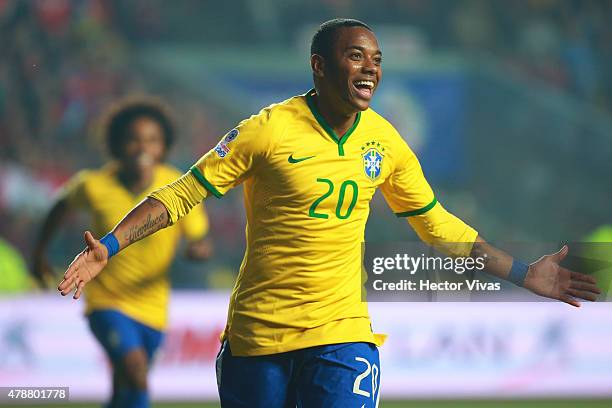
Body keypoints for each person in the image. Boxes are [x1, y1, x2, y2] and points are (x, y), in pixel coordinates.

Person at [57, 19, 600, 407]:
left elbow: (439, 228)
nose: (370, 68)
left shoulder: (386, 142)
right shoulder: (266, 130)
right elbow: (181, 194)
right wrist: (109, 244)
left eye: (377, 58)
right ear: (319, 65)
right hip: (257, 338)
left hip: (340, 335)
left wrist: (526, 273)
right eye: (356, 55)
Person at [35, 97, 212, 408]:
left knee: (125, 388)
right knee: (137, 373)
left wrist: (198, 248)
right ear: (117, 144)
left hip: (154, 307)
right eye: (133, 139)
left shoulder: (174, 184)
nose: (143, 148)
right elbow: (59, 208)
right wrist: (40, 253)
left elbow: (198, 236)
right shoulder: (94, 185)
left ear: (164, 146)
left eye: (152, 140)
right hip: (107, 303)